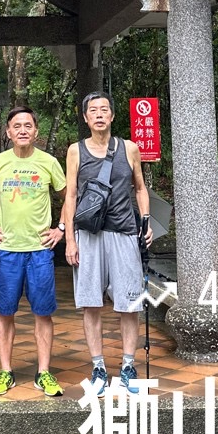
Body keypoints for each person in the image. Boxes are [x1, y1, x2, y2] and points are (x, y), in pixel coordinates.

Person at [63, 91, 152, 395]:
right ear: (85, 118)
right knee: (91, 303)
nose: (99, 114)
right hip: (88, 234)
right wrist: (69, 239)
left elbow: (140, 188)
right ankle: (98, 367)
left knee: (129, 303)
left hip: (124, 232)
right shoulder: (75, 151)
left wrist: (145, 221)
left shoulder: (129, 148)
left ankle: (128, 365)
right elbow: (71, 195)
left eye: (104, 110)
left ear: (112, 116)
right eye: (93, 110)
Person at [0, 107, 67, 397]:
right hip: (7, 250)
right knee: (5, 312)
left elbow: (69, 196)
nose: (22, 130)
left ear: (36, 131)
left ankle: (43, 373)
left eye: (28, 125)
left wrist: (61, 228)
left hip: (40, 250)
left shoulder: (48, 162)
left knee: (43, 312)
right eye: (16, 126)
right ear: (8, 132)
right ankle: (5, 371)